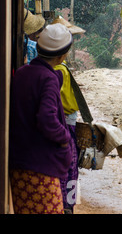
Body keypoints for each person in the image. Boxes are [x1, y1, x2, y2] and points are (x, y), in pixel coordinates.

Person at [9, 23, 74, 214]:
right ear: (62, 56)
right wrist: (65, 138)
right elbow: (47, 119)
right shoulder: (48, 78)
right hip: (40, 169)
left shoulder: (22, 73)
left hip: (18, 164)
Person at [54, 60, 80, 214]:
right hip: (67, 121)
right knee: (71, 166)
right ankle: (68, 204)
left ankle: (64, 203)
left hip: (62, 120)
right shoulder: (62, 69)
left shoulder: (55, 70)